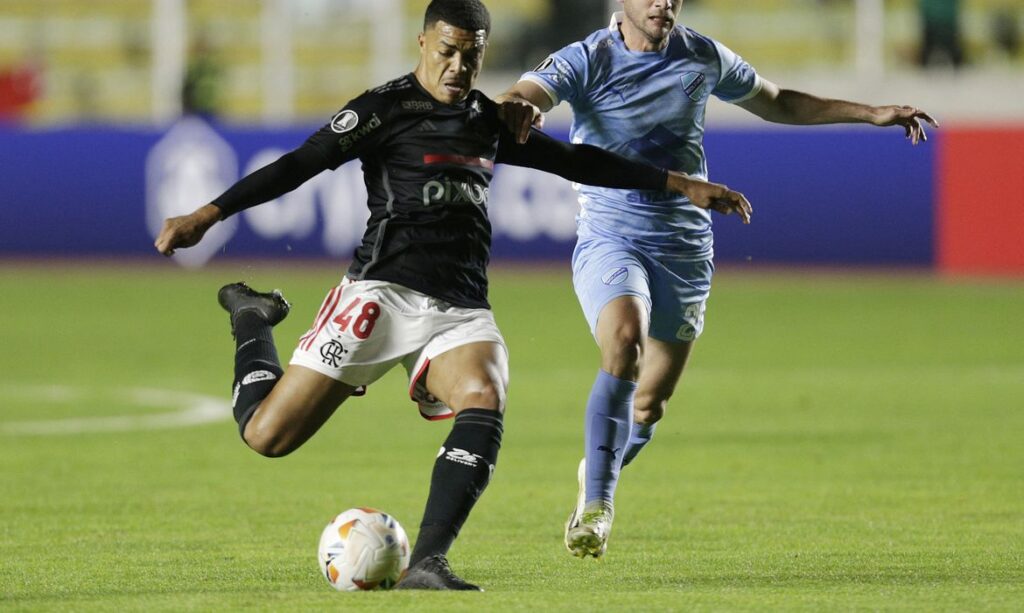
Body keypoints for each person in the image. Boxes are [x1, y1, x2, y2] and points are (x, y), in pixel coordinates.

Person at [154, 0, 751, 591]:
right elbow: (298, 165)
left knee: (484, 394)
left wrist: (680, 183)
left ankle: (428, 561)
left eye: (472, 56)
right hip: (380, 294)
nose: (457, 67)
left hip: (460, 306)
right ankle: (253, 321)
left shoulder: (490, 120)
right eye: (447, 52)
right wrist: (209, 214)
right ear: (422, 44)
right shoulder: (383, 109)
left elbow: (577, 160)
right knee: (267, 436)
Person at [497, 0, 938, 559]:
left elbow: (778, 102)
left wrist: (870, 113)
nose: (664, 3)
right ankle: (598, 508)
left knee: (649, 405)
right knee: (624, 342)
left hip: (684, 245)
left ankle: (598, 464)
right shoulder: (587, 59)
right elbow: (524, 94)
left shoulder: (700, 54)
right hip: (612, 237)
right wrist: (516, 108)